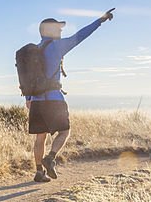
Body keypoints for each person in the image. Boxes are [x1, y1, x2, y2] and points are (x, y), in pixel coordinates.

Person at [27, 9, 115, 182]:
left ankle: (38, 172)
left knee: (40, 137)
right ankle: (50, 158)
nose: (60, 31)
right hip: (54, 99)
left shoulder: (31, 52)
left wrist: (28, 99)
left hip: (36, 100)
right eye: (58, 28)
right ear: (49, 30)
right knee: (65, 131)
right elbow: (81, 35)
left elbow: (26, 77)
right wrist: (100, 20)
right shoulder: (57, 46)